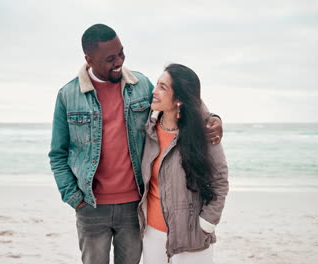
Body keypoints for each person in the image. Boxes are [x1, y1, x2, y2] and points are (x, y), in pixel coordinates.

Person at [48, 24, 223, 264]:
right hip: (91, 206)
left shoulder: (140, 85)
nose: (119, 61)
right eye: (110, 58)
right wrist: (74, 197)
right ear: (89, 59)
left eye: (121, 53)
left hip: (135, 207)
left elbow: (179, 101)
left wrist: (212, 118)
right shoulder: (68, 95)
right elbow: (57, 154)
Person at [138, 63, 229, 264]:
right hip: (152, 233)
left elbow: (220, 181)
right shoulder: (149, 128)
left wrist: (206, 224)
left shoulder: (203, 132)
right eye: (157, 84)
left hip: (192, 234)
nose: (154, 91)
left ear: (179, 99)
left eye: (163, 87)